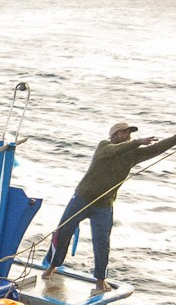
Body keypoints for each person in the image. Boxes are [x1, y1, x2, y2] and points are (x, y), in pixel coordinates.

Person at [44, 122, 176, 293]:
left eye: (129, 132)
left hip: (104, 204)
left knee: (102, 242)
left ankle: (100, 279)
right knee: (63, 231)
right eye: (123, 132)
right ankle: (52, 267)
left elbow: (156, 149)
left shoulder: (132, 154)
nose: (127, 135)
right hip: (82, 198)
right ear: (113, 135)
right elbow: (113, 151)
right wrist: (138, 142)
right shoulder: (104, 146)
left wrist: (174, 139)